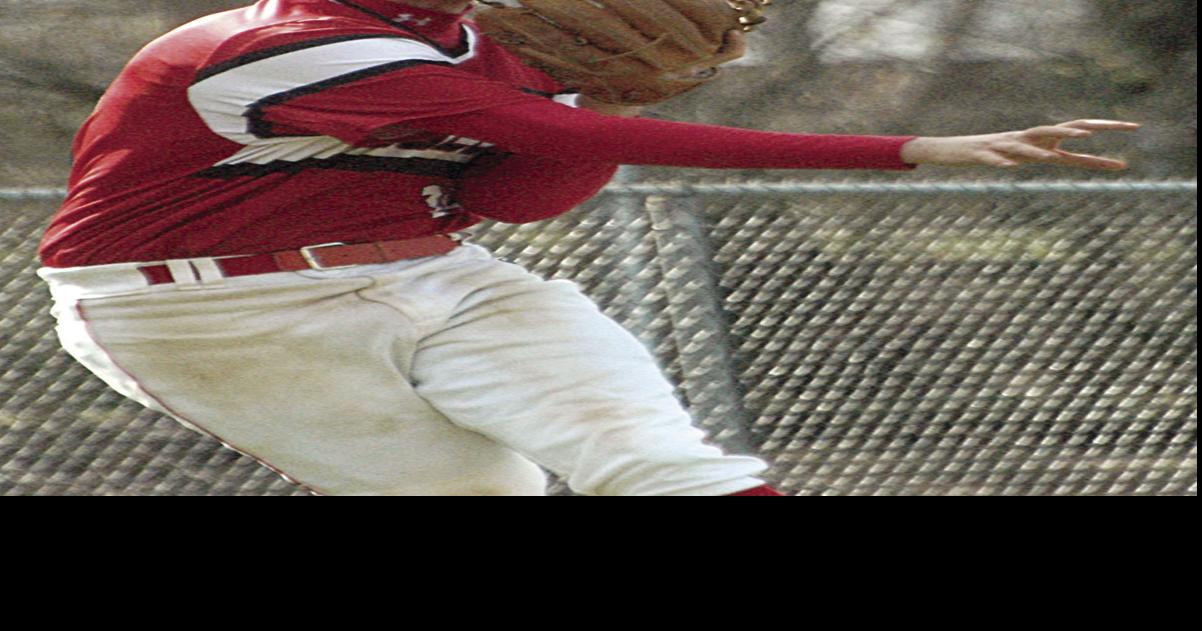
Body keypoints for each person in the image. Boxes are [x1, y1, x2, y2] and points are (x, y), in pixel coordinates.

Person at [37, 0, 1140, 496]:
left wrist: (590, 74)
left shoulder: (481, 46)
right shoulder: (274, 50)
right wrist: (912, 146)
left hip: (434, 272)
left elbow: (522, 195)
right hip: (202, 314)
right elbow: (574, 137)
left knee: (657, 461)